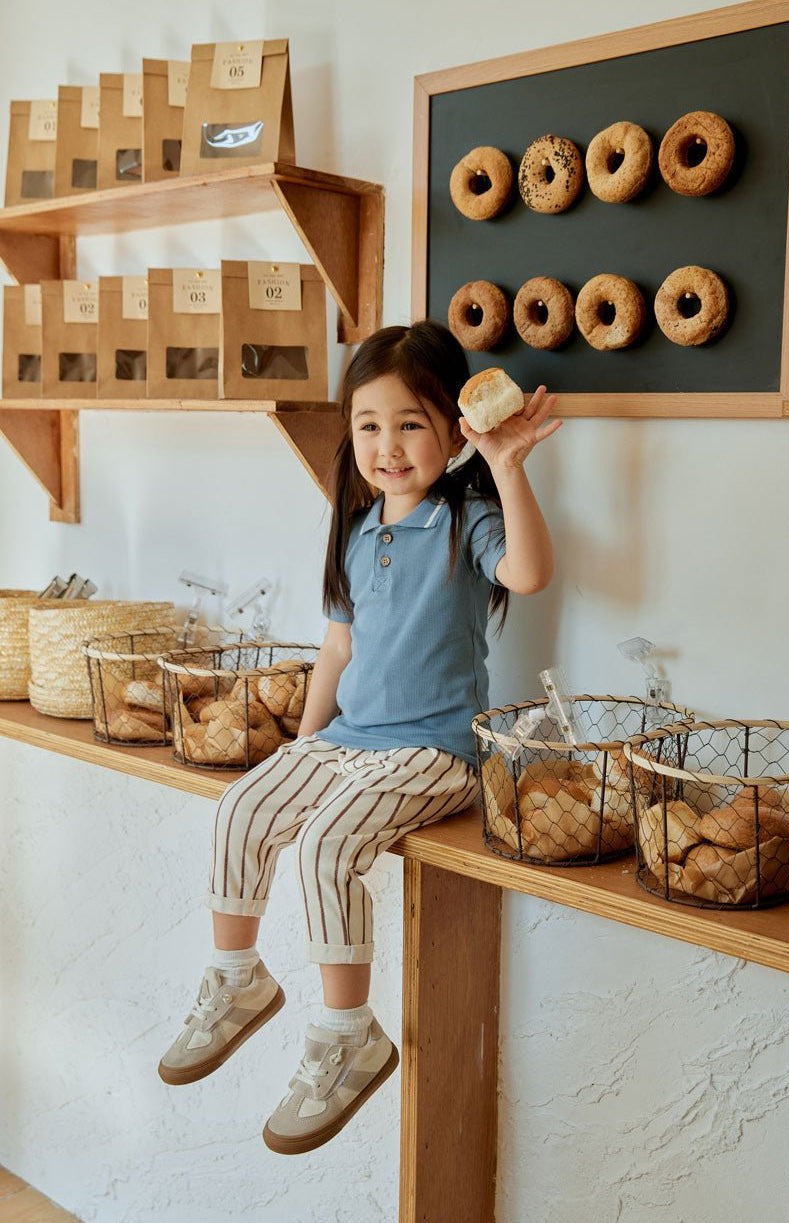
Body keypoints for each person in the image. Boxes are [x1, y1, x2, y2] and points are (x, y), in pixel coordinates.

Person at [158, 319, 561, 1154]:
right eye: (369, 424)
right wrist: (305, 747)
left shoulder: (467, 518)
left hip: (438, 748)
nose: (388, 444)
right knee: (241, 807)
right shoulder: (355, 527)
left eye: (411, 423)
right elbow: (338, 647)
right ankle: (237, 979)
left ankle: (348, 1033)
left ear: (455, 430)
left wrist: (509, 467)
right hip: (353, 735)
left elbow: (527, 573)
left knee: (324, 846)